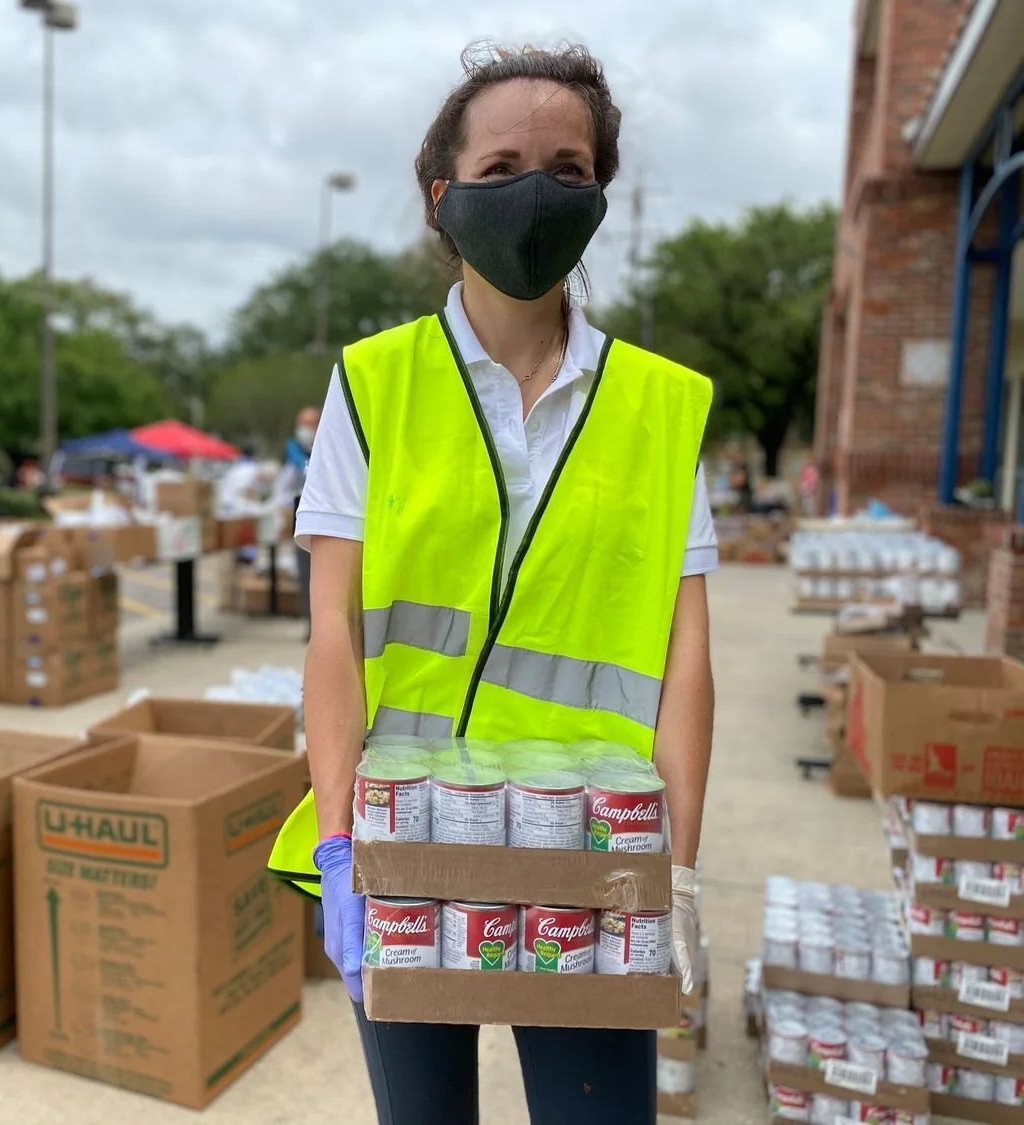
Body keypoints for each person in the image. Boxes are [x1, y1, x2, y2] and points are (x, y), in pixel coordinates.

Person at [266, 44, 716, 1123]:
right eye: (504, 161)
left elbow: (686, 657)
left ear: (599, 197)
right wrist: (336, 845)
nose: (537, 190)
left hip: (590, 856)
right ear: (444, 195)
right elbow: (333, 633)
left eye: (569, 167)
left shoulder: (659, 407)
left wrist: (679, 876)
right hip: (405, 845)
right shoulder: (373, 385)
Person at [277, 406, 320, 633]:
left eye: (311, 424)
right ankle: (311, 625)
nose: (307, 429)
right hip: (302, 520)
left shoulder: (327, 447)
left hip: (326, 523)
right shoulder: (292, 452)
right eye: (303, 424)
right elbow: (283, 489)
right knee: (306, 576)